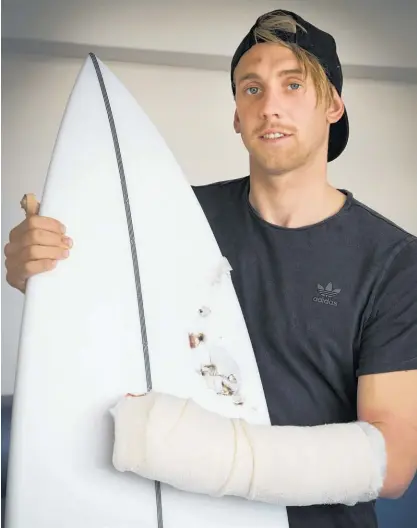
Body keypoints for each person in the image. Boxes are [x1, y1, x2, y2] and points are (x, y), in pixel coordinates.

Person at [4, 9, 417, 528]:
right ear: (236, 115)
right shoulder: (172, 217)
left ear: (333, 105)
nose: (270, 107)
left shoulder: (393, 260)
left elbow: (389, 461)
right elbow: (88, 300)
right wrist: (33, 268)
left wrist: (187, 447)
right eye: (251, 89)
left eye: (293, 85)